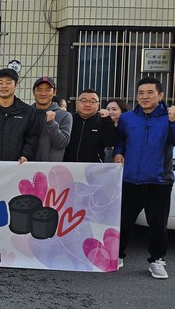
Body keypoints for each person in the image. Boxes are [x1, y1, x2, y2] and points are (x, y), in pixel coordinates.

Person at [113, 77, 175, 279]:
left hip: (159, 180)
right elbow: (121, 140)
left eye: (150, 92)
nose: (144, 96)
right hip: (130, 178)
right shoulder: (127, 118)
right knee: (123, 221)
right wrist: (119, 152)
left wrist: (174, 122)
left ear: (160, 95)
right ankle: (117, 255)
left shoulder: (168, 117)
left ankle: (157, 260)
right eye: (141, 93)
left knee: (158, 224)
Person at [63, 89, 117, 163]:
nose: (87, 105)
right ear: (76, 103)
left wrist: (107, 120)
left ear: (98, 104)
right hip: (68, 166)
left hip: (93, 167)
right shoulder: (68, 120)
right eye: (83, 101)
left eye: (92, 101)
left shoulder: (103, 121)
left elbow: (110, 143)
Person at [30, 76, 72, 162]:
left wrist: (51, 123)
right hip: (24, 166)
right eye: (39, 90)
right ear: (33, 92)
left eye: (48, 90)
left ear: (54, 92)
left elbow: (62, 143)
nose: (43, 93)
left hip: (50, 168)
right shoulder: (26, 113)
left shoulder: (65, 116)